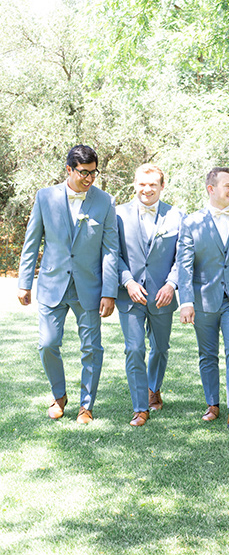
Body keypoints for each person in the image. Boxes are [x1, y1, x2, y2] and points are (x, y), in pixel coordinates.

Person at [17, 144, 118, 423]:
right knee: (47, 344)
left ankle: (86, 405)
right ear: (69, 170)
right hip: (52, 284)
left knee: (92, 348)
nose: (89, 179)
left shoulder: (105, 202)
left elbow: (111, 250)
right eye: (84, 173)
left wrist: (109, 291)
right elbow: (32, 241)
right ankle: (59, 395)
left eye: (94, 173)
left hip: (90, 286)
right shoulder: (44, 197)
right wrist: (24, 282)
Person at [177, 167, 229, 430]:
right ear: (211, 189)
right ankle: (212, 403)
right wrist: (186, 301)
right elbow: (184, 264)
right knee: (207, 353)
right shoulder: (191, 222)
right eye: (227, 185)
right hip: (203, 299)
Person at [116, 164, 183, 427]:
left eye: (153, 184)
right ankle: (140, 407)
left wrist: (172, 284)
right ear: (135, 184)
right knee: (134, 349)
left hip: (162, 294)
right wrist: (127, 281)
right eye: (142, 184)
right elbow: (113, 253)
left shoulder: (176, 216)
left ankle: (154, 388)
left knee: (160, 348)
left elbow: (183, 257)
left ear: (162, 186)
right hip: (129, 294)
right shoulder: (118, 214)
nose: (147, 189)